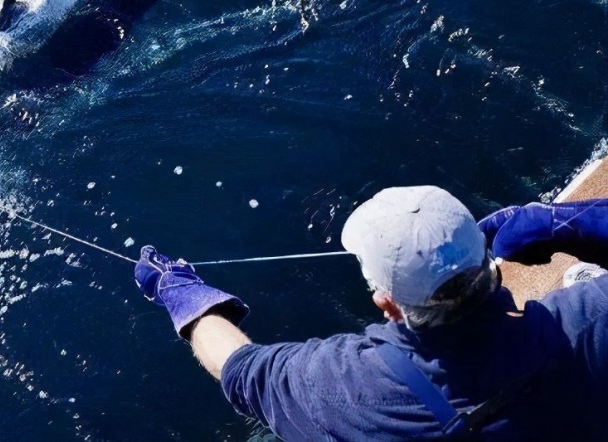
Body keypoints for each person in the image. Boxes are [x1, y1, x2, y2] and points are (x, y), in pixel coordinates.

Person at [135, 185, 608, 440]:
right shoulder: (590, 316)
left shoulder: (349, 389)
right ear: (489, 263)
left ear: (386, 303)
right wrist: (564, 225)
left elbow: (240, 369)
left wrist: (180, 293)